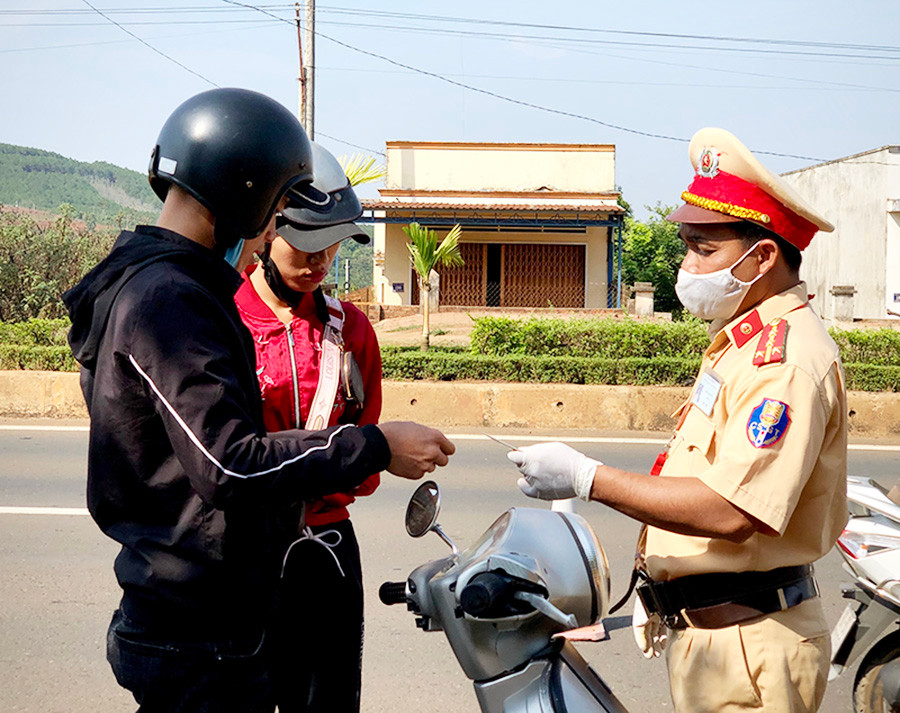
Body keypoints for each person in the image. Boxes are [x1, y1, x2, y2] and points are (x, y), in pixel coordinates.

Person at [62, 87, 455, 713]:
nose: (276, 227)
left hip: (203, 608)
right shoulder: (170, 301)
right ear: (243, 195)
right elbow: (230, 463)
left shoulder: (158, 287)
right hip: (195, 629)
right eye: (276, 209)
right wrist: (376, 445)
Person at [507, 127, 847, 713]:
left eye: (704, 249)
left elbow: (732, 510)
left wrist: (587, 478)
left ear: (762, 255)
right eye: (687, 244)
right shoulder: (742, 341)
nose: (687, 265)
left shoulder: (784, 360)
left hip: (748, 649)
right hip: (719, 641)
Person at [233, 143, 382, 712]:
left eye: (333, 242)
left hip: (328, 549)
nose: (322, 260)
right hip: (244, 552)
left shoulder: (353, 332)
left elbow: (364, 461)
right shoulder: (222, 323)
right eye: (307, 241)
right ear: (265, 232)